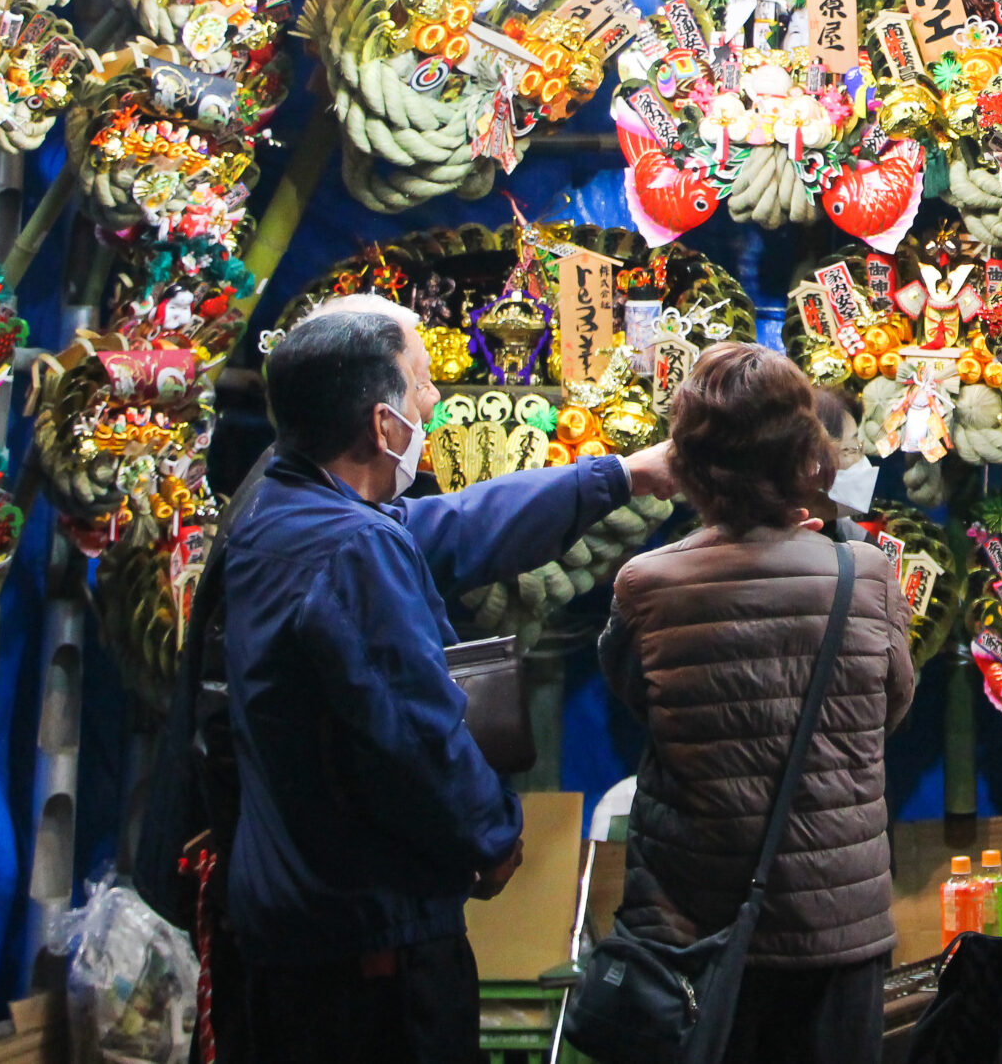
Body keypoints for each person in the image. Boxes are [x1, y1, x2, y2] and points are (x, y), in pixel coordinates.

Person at [221, 302, 679, 1064]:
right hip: (368, 947)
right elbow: (414, 728)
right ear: (381, 423)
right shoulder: (352, 548)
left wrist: (622, 474)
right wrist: (495, 833)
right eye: (422, 382)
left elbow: (462, 522)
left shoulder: (285, 509)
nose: (432, 402)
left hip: (296, 929)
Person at [599, 343, 917, 1064]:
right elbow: (887, 711)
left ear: (684, 461)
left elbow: (639, 703)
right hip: (839, 925)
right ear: (807, 453)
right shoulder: (864, 573)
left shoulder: (644, 584)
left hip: (696, 931)